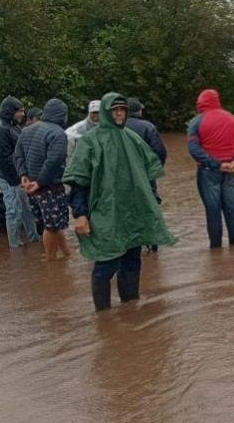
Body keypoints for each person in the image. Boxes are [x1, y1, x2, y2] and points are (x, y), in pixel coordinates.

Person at [64, 93, 175, 311]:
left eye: (122, 109)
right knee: (105, 261)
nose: (119, 113)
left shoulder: (133, 139)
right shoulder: (89, 141)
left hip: (132, 211)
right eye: (114, 109)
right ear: (106, 112)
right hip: (104, 213)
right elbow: (78, 181)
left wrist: (151, 203)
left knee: (132, 261)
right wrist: (80, 213)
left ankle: (130, 310)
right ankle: (103, 318)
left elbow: (146, 175)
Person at [186, 89, 234, 248]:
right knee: (231, 209)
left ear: (200, 103)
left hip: (209, 172)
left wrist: (216, 164)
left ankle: (216, 251)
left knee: (213, 211)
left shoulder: (196, 122)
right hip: (231, 171)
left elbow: (194, 149)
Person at [14, 98, 72, 261]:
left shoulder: (27, 130)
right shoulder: (58, 133)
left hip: (32, 188)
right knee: (52, 225)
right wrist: (39, 182)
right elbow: (54, 161)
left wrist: (23, 175)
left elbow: (18, 155)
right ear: (63, 116)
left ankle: (67, 254)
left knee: (53, 223)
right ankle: (50, 262)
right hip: (49, 187)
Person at [126, 97, 167, 253]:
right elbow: (160, 151)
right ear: (139, 111)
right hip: (144, 176)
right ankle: (152, 244)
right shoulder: (147, 127)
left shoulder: (111, 128)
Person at [0, 97, 40, 247]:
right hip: (7, 177)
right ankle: (15, 247)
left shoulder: (15, 126)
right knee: (13, 210)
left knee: (26, 209)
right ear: (11, 111)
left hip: (19, 175)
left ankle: (34, 239)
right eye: (20, 111)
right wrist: (15, 180)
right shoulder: (2, 128)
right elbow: (4, 158)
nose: (23, 114)